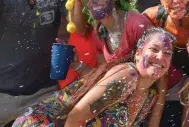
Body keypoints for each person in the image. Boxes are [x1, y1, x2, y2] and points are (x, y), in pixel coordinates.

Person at [13, 28, 176, 126]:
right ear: (139, 54)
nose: (161, 57)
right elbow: (75, 117)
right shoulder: (128, 75)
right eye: (154, 49)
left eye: (167, 53)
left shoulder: (150, 96)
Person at [61, 0, 153, 87]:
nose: (94, 1)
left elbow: (157, 72)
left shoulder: (137, 25)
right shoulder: (99, 32)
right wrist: (77, 65)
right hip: (124, 91)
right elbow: (104, 76)